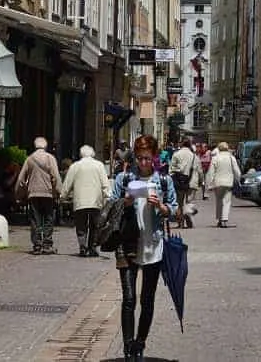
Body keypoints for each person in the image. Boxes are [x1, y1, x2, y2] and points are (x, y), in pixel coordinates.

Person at [111, 134, 177, 360]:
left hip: (154, 244)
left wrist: (161, 206)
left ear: (154, 157)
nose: (143, 163)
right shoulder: (124, 178)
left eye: (147, 158)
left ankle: (140, 342)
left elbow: (174, 210)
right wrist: (124, 202)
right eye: (139, 158)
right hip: (128, 243)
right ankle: (128, 346)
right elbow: (111, 206)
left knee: (147, 299)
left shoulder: (164, 180)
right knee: (128, 298)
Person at [15, 137, 62, 255]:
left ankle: (37, 245)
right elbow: (56, 177)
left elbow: (21, 179)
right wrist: (58, 191)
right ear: (45, 146)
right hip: (47, 193)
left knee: (35, 219)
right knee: (48, 218)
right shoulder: (50, 158)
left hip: (33, 193)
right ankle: (47, 244)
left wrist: (19, 193)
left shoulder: (29, 159)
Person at [61, 145, 110, 257]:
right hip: (95, 201)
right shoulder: (99, 165)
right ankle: (92, 247)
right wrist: (108, 197)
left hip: (80, 201)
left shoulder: (75, 166)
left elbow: (67, 183)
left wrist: (62, 196)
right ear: (93, 154)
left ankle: (82, 246)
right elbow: (105, 184)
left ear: (81, 154)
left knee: (81, 225)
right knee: (95, 225)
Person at [206, 141, 241, 228]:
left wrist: (209, 184)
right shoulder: (231, 157)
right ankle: (224, 219)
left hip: (218, 183)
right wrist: (238, 179)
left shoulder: (215, 158)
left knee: (219, 201)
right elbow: (236, 170)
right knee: (227, 201)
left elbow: (211, 172)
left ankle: (219, 220)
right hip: (228, 182)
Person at [169, 138, 195, 228]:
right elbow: (195, 168)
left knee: (178, 202)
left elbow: (171, 168)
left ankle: (180, 222)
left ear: (181, 144)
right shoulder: (193, 155)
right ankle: (187, 217)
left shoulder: (176, 154)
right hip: (189, 179)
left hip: (178, 179)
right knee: (187, 201)